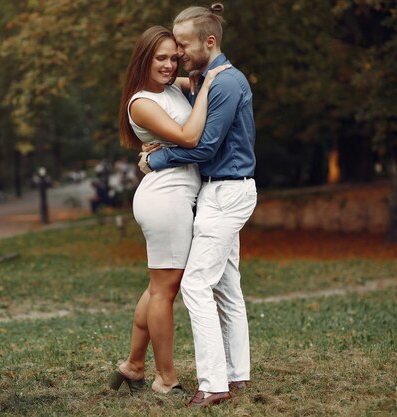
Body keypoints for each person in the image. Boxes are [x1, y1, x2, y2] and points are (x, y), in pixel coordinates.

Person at [138, 3, 257, 408]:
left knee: (194, 283)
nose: (179, 53)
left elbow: (203, 146)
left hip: (226, 192)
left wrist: (155, 159)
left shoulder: (223, 83)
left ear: (210, 41)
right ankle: (237, 375)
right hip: (219, 190)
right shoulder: (205, 79)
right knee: (225, 286)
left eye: (184, 45)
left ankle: (213, 384)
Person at [109, 25, 228, 395]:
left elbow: (201, 67)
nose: (168, 64)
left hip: (178, 194)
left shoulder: (174, 87)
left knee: (158, 286)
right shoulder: (141, 102)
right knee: (166, 289)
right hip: (166, 197)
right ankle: (166, 377)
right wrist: (207, 87)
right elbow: (191, 137)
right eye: (160, 57)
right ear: (144, 58)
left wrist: (204, 72)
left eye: (173, 57)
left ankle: (132, 366)